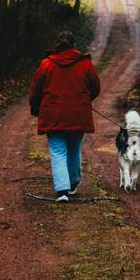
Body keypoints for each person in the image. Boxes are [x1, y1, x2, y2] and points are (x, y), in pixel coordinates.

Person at [29, 31, 101, 201]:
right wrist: (84, 100)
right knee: (74, 148)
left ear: (57, 45)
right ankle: (73, 182)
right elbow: (96, 87)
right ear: (74, 45)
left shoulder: (46, 64)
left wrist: (35, 104)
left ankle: (62, 191)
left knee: (57, 151)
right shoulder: (85, 64)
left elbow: (36, 88)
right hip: (77, 114)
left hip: (53, 115)